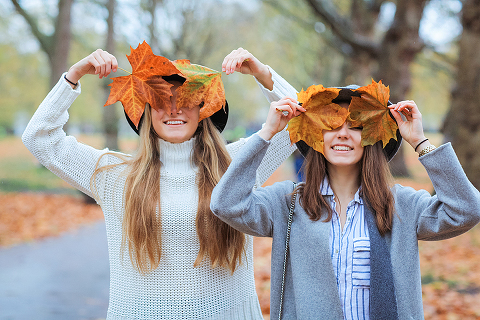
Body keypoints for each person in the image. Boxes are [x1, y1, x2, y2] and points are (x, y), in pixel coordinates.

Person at [21, 47, 298, 319]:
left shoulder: (240, 163)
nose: (174, 109)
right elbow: (38, 138)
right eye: (161, 100)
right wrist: (74, 76)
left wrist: (263, 74)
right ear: (146, 111)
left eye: (186, 99)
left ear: (203, 109)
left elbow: (303, 120)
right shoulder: (115, 174)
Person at [210, 81, 480, 319]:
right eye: (331, 125)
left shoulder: (402, 206)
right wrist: (267, 134)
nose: (342, 134)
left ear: (372, 138)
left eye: (356, 127)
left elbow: (467, 209)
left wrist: (421, 142)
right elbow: (226, 204)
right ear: (317, 136)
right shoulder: (289, 203)